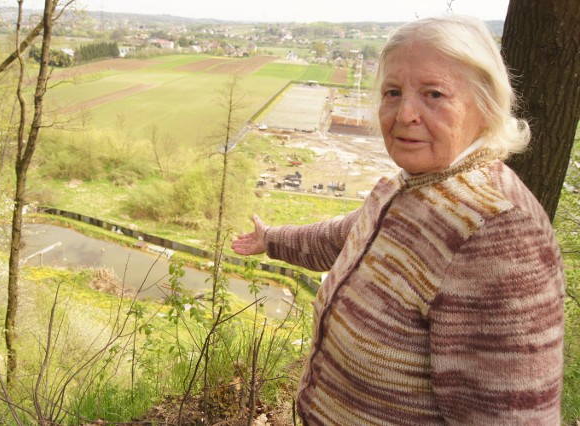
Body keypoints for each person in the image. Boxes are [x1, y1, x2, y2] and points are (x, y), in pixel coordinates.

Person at [232, 15, 565, 425]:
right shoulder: (411, 185)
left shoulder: (500, 235)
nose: (405, 113)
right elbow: (350, 235)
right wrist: (273, 240)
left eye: (434, 94)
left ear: (485, 105)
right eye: (393, 92)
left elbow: (513, 417)